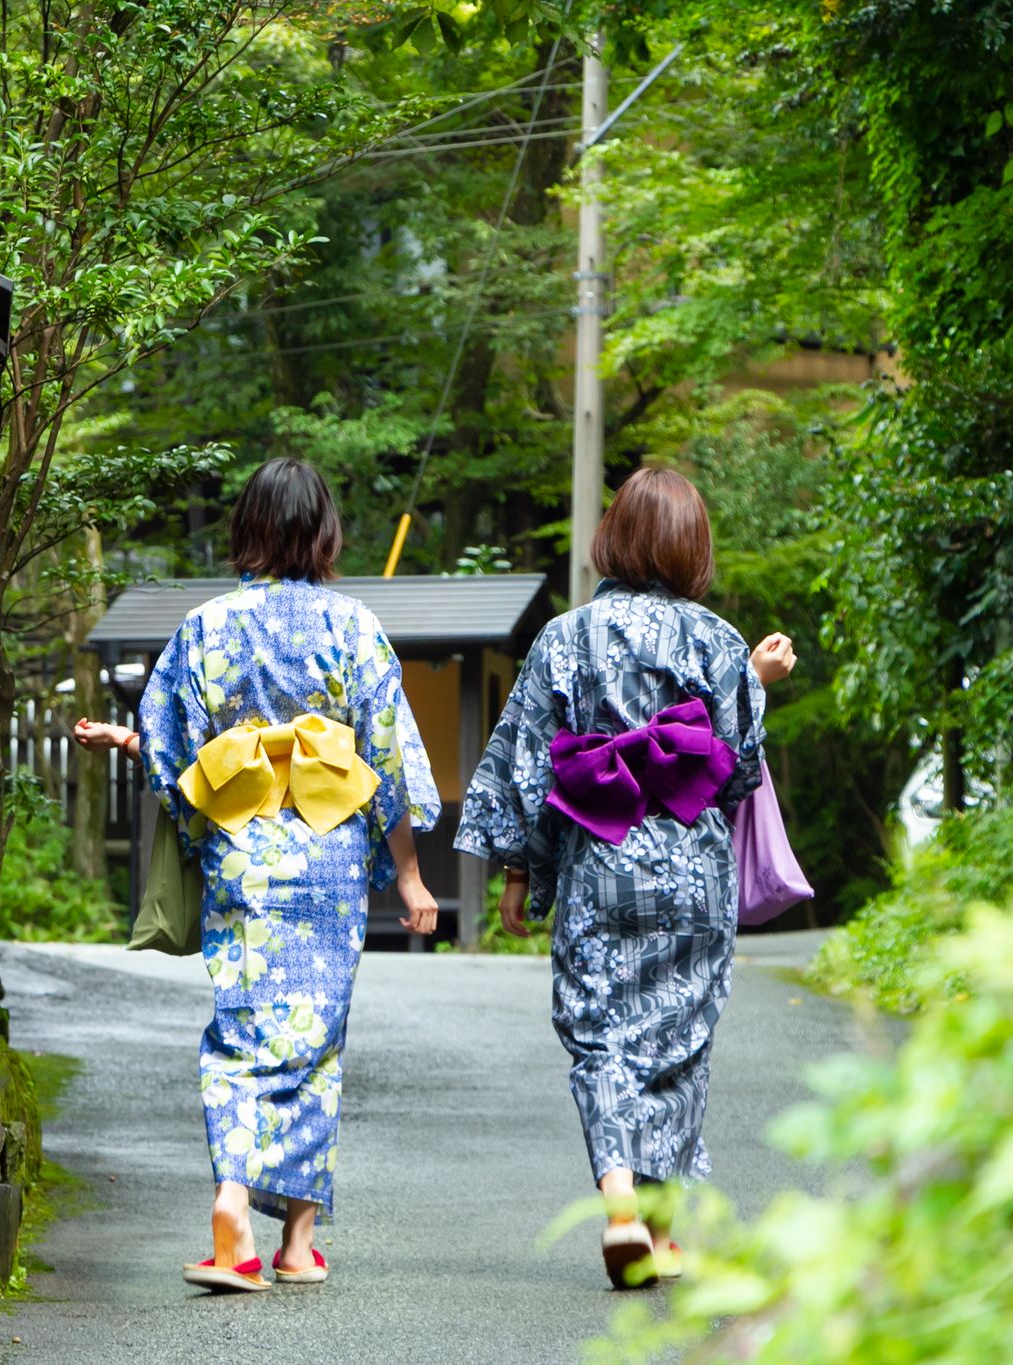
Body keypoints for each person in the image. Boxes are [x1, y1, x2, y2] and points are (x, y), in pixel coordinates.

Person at [74, 457, 441, 1293]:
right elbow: (386, 760)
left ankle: (235, 1206)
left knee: (242, 1031)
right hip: (329, 854)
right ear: (323, 532)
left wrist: (131, 746)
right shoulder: (353, 625)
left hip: (244, 852)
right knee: (315, 1042)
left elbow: (174, 753)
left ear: (248, 529)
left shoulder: (205, 627)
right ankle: (296, 1244)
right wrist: (412, 878)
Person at [454, 465, 796, 1290]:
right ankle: (665, 1230)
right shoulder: (718, 640)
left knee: (602, 1037)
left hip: (599, 862)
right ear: (691, 546)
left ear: (614, 537)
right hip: (692, 873)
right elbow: (741, 771)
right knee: (680, 1044)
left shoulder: (564, 638)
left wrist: (515, 874)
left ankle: (617, 1203)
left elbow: (529, 765)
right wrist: (757, 681)